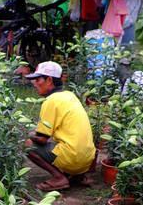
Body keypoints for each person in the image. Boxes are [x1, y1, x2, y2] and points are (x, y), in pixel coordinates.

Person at [23, 61, 96, 192]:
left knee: (27, 144)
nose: (34, 84)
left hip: (72, 158)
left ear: (49, 80)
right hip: (87, 159)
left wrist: (26, 134)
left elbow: (42, 139)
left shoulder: (51, 101)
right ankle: (79, 175)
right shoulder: (69, 95)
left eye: (37, 79)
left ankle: (59, 178)